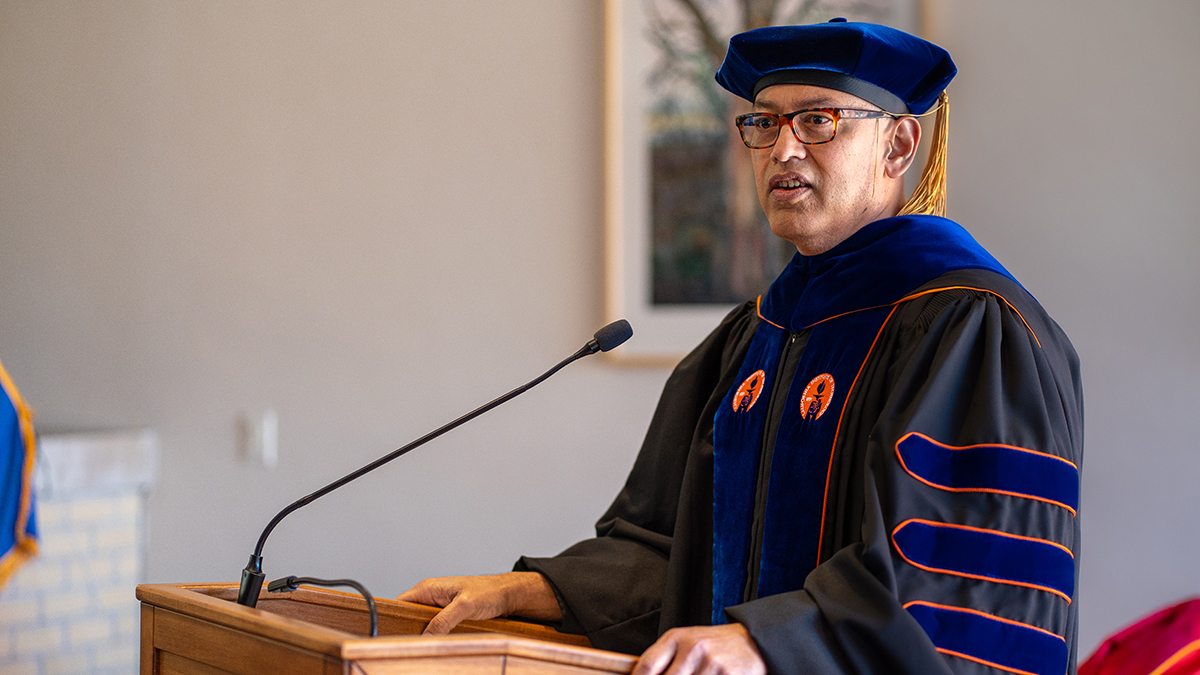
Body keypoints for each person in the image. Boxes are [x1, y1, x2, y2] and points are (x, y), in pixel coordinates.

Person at [400, 19, 1083, 675]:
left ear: (899, 146)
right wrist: (523, 590)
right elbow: (672, 553)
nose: (784, 150)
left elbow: (961, 586)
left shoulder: (968, 326)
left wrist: (768, 642)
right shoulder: (749, 339)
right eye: (764, 123)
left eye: (818, 120)